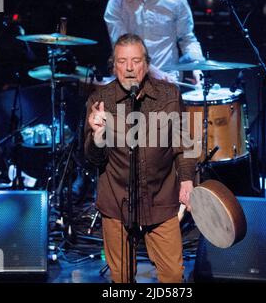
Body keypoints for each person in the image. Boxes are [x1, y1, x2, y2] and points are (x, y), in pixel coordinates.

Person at [84, 33, 197, 283]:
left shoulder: (169, 96)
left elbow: (185, 144)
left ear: (146, 64)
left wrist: (188, 181)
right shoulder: (99, 100)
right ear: (114, 65)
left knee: (173, 276)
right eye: (122, 61)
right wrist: (98, 135)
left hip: (159, 198)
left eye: (136, 60)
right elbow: (92, 158)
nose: (129, 68)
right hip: (117, 202)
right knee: (122, 279)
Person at [104, 0, 205, 84]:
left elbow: (187, 39)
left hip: (168, 81)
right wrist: (153, 71)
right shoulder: (115, 3)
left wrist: (197, 68)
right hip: (130, 82)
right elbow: (124, 48)